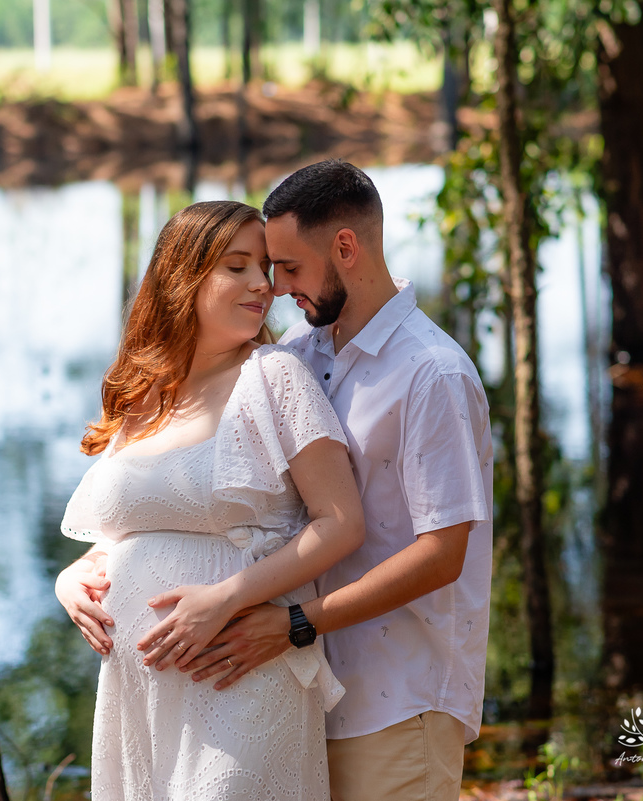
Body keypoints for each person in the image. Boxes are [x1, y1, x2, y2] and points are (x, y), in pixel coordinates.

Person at [179, 160, 494, 801]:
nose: (275, 288)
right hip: (301, 694)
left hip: (400, 699)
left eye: (289, 268)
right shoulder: (300, 350)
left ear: (345, 248)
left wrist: (297, 622)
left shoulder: (432, 374)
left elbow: (443, 554)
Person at [55, 199, 365, 800]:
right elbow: (126, 534)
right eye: (237, 266)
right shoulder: (144, 395)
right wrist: (73, 580)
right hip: (138, 685)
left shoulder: (274, 377)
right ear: (184, 278)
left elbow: (341, 523)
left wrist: (225, 599)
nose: (264, 285)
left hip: (237, 669)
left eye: (266, 268)